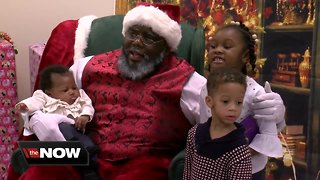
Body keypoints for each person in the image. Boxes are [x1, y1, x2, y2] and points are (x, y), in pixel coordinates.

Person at [10, 3, 285, 180]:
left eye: (149, 38)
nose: (137, 44)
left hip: (142, 162)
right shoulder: (88, 66)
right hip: (85, 154)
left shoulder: (189, 82)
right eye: (133, 34)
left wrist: (271, 118)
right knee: (34, 162)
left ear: (165, 47)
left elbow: (219, 124)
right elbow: (56, 100)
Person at [207, 21, 284, 179]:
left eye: (227, 47)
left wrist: (236, 155)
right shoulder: (205, 88)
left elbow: (267, 135)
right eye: (213, 46)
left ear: (245, 56)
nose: (218, 51)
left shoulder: (256, 93)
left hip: (248, 172)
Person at [15, 65, 99, 179]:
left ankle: (89, 169)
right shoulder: (44, 97)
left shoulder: (81, 96)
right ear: (49, 93)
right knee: (63, 128)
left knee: (90, 145)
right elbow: (34, 102)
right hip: (56, 136)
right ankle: (27, 156)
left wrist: (85, 116)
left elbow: (88, 106)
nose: (72, 92)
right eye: (65, 90)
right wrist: (25, 106)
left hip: (78, 132)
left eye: (74, 87)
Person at [183, 67, 252, 180]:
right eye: (225, 101)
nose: (233, 108)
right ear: (209, 101)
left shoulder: (239, 148)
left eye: (238, 102)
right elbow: (187, 172)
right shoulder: (194, 134)